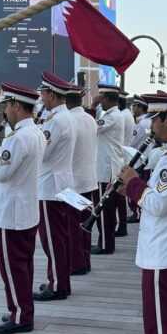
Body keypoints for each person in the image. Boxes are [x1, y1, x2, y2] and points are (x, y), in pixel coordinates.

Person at [118, 93, 167, 334]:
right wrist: (130, 190)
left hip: (163, 252)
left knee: (161, 324)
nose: (150, 126)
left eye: (154, 120)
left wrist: (133, 182)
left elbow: (158, 204)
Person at [0, 82, 46, 334]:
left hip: (9, 211)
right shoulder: (35, 132)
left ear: (15, 105)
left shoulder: (17, 137)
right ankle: (23, 309)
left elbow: (2, 175)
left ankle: (21, 315)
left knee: (12, 268)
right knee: (24, 265)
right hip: (25, 209)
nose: (6, 112)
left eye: (7, 106)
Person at [34, 72, 77, 301]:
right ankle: (60, 280)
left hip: (50, 186)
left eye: (43, 94)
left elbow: (43, 153)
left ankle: (58, 284)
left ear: (51, 94)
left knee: (53, 240)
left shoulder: (56, 120)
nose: (41, 98)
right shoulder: (63, 117)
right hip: (59, 183)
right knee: (60, 238)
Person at [65, 84, 98, 276]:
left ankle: (76, 263)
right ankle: (85, 260)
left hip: (74, 180)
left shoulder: (70, 120)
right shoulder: (89, 118)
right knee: (85, 226)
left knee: (73, 227)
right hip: (89, 178)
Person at [91, 84, 125, 255]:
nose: (100, 101)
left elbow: (93, 127)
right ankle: (105, 242)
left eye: (102, 98)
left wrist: (91, 106)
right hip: (107, 167)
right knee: (106, 209)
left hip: (106, 169)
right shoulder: (112, 115)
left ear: (108, 98)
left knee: (104, 210)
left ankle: (105, 244)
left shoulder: (113, 116)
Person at [127, 95, 151, 224]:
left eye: (135, 106)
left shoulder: (141, 124)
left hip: (139, 160)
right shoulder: (148, 121)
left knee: (137, 188)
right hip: (147, 160)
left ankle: (136, 213)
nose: (133, 108)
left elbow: (132, 142)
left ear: (140, 108)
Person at [116, 90, 135, 237]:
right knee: (121, 197)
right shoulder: (127, 115)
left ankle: (121, 226)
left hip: (121, 157)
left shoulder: (122, 115)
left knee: (119, 196)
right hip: (125, 156)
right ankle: (122, 225)